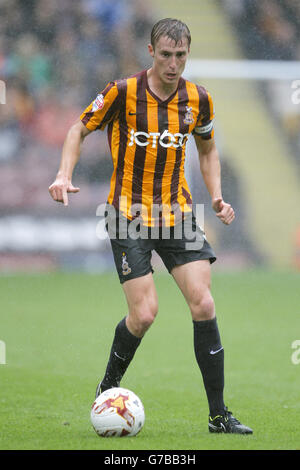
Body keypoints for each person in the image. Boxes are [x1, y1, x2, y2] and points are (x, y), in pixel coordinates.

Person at [49, 18, 253, 434]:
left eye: (180, 55)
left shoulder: (199, 100)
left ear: (187, 54)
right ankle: (108, 387)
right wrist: (62, 174)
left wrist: (215, 195)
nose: (173, 64)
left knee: (205, 304)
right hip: (126, 214)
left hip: (177, 215)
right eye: (165, 55)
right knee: (144, 314)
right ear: (150, 52)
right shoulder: (122, 92)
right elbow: (78, 129)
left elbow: (208, 150)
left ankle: (218, 416)